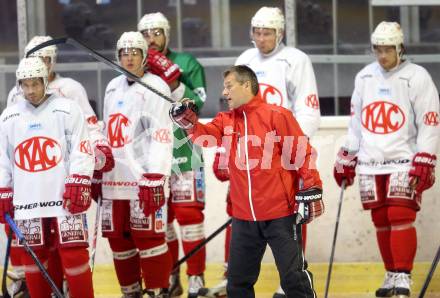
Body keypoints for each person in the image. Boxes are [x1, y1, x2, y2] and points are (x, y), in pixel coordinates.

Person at [170, 65, 324, 298]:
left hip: (280, 214)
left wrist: (312, 188)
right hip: (243, 219)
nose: (225, 93)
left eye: (229, 86)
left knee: (294, 280)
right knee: (237, 285)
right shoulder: (226, 120)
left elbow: (302, 154)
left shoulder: (277, 115)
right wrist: (189, 122)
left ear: (246, 85)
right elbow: (205, 137)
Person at [207, 7, 321, 298]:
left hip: (280, 158)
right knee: (240, 213)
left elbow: (308, 111)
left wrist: (290, 153)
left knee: (288, 217)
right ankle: (234, 274)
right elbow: (235, 112)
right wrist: (226, 150)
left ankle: (290, 280)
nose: (261, 38)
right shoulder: (245, 60)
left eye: (267, 32)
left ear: (279, 33)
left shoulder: (296, 60)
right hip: (248, 158)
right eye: (256, 32)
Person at [333, 21, 439, 298]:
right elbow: (356, 122)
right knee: (380, 218)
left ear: (400, 48)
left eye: (388, 49)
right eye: (378, 50)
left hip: (404, 159)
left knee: (399, 215)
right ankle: (391, 273)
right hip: (370, 160)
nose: (382, 55)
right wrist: (348, 155)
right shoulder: (365, 77)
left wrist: (425, 158)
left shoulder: (417, 76)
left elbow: (430, 121)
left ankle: (403, 275)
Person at [6, 35, 115, 296]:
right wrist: (4, 189)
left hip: (62, 193)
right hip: (29, 197)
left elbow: (83, 140)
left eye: (35, 83)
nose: (30, 90)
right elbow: (5, 156)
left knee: (73, 252)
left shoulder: (68, 102)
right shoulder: (10, 111)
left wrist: (80, 178)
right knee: (36, 256)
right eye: (26, 84)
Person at [138, 12, 208, 298]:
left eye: (156, 32)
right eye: (145, 34)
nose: (151, 39)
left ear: (167, 34)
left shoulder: (187, 63)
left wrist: (174, 80)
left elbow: (197, 106)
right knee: (161, 219)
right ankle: (171, 276)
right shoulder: (136, 70)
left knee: (189, 214)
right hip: (150, 153)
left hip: (184, 147)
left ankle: (196, 278)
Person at [98, 31, 173, 298]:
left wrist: (155, 176)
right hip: (115, 179)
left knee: (149, 239)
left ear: (144, 56)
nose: (128, 58)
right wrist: (98, 165)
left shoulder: (156, 86)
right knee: (118, 240)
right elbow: (107, 131)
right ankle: (130, 292)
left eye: (134, 53)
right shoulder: (112, 87)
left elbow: (162, 135)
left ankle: (156, 290)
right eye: (124, 53)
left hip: (144, 179)